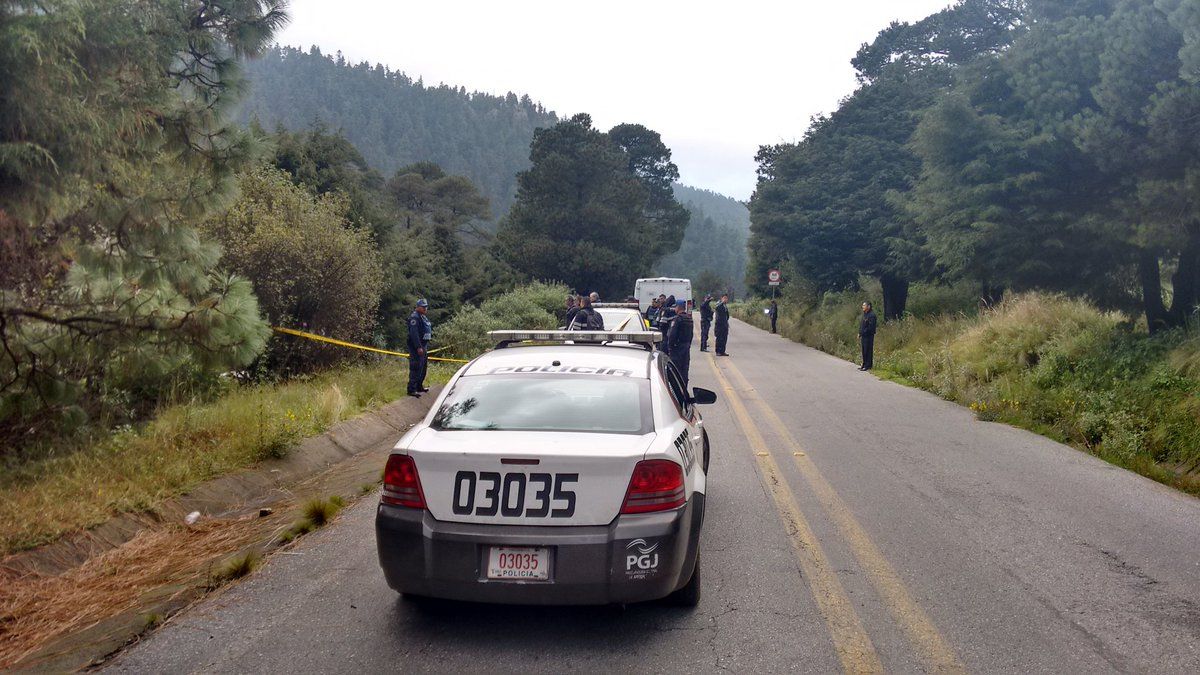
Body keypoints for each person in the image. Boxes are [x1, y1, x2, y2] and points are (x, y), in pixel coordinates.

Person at [407, 298, 432, 397]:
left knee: (423, 367)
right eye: (423, 307)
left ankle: (419, 386)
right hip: (417, 347)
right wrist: (418, 347)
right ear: (418, 307)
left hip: (424, 345)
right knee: (416, 367)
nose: (425, 308)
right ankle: (411, 389)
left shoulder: (423, 317)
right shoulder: (415, 317)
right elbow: (414, 334)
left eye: (426, 306)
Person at [667, 298, 694, 386]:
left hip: (677, 348)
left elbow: (672, 335)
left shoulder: (677, 319)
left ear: (678, 307)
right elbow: (691, 335)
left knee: (675, 371)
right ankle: (684, 390)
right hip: (686, 348)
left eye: (675, 307)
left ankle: (676, 391)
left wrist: (670, 347)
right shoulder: (689, 319)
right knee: (684, 370)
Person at [858, 301, 878, 371]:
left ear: (868, 306)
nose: (863, 307)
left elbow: (871, 327)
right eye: (862, 305)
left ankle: (868, 365)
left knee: (868, 350)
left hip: (869, 336)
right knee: (864, 350)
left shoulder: (872, 315)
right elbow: (862, 325)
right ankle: (864, 364)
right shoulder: (864, 314)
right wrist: (860, 333)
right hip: (863, 336)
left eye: (864, 305)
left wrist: (864, 332)